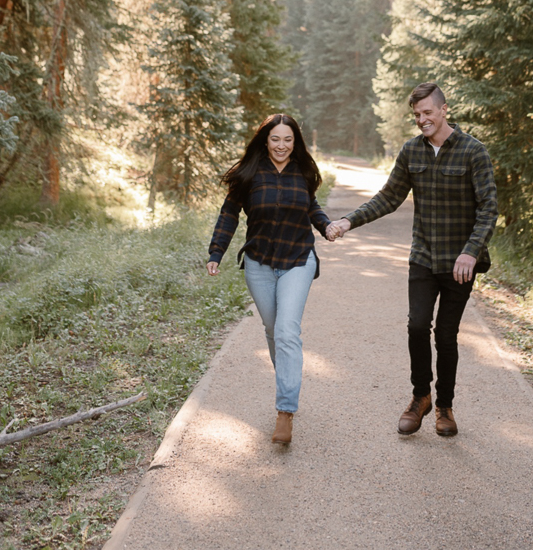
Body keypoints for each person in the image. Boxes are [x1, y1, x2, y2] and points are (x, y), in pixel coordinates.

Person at [325, 81, 497, 438]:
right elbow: (388, 197)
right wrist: (348, 221)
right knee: (418, 326)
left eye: (428, 113)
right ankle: (421, 397)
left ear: (444, 109)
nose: (422, 120)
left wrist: (470, 251)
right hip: (423, 256)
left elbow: (488, 209)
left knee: (446, 336)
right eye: (417, 115)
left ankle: (445, 407)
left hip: (459, 263)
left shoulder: (473, 152)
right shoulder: (411, 152)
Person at [206, 113, 332, 446]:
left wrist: (326, 225)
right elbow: (229, 214)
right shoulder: (248, 175)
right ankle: (287, 383)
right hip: (259, 262)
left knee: (288, 330)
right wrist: (216, 252)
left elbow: (312, 207)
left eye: (288, 139)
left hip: (297, 259)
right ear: (266, 140)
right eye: (275, 139)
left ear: (296, 142)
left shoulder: (304, 171)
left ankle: (285, 410)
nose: (281, 145)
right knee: (274, 331)